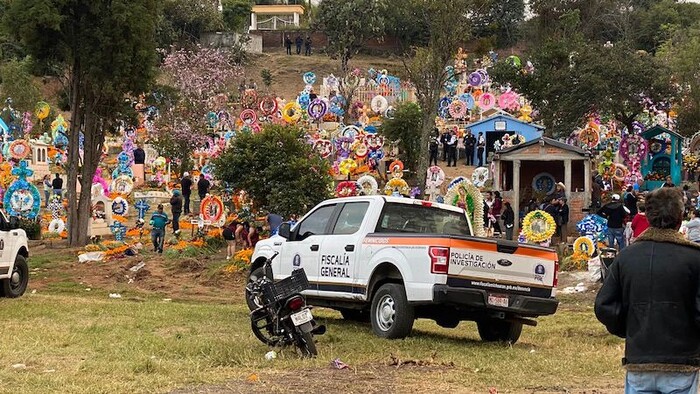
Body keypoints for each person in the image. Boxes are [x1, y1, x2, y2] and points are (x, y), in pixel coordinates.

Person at [594, 187, 700, 394]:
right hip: (681, 361)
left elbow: (604, 305)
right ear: (680, 218)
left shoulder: (626, 257)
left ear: (647, 217)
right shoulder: (694, 258)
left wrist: (631, 329)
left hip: (639, 359)